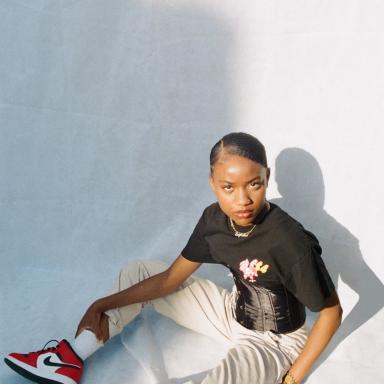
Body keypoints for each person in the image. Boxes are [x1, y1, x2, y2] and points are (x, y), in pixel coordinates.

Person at [4, 132, 342, 384]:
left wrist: (293, 379)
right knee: (138, 272)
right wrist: (100, 304)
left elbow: (330, 311)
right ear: (212, 183)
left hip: (278, 342)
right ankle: (70, 360)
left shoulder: (288, 239)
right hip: (231, 315)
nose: (243, 199)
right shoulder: (214, 222)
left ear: (266, 177)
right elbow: (170, 280)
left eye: (254, 184)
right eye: (228, 187)